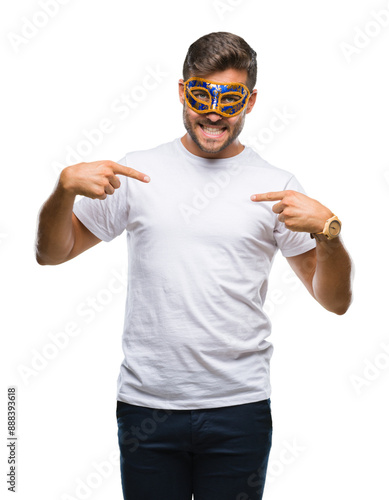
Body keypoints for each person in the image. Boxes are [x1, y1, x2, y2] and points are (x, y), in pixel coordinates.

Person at [35, 31, 353, 500]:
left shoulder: (276, 186)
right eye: (202, 93)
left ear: (250, 101)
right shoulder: (137, 172)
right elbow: (51, 253)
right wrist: (63, 191)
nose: (214, 110)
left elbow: (335, 301)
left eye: (230, 97)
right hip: (147, 407)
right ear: (184, 92)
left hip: (239, 408)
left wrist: (329, 232)